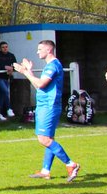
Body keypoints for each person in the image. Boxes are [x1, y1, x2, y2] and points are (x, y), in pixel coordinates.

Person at [14, 40, 80, 182]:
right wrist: (29, 72)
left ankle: (71, 164)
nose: (37, 52)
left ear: (49, 50)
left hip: (49, 106)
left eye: (40, 49)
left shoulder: (53, 66)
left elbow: (41, 84)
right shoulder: (50, 66)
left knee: (43, 139)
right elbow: (39, 86)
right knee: (49, 138)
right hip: (45, 105)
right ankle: (45, 170)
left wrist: (25, 72)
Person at [0, 42, 17, 120]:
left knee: (3, 95)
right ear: (0, 48)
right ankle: (9, 108)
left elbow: (15, 65)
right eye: (3, 47)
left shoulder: (11, 56)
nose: (5, 48)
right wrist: (5, 67)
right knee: (5, 91)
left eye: (6, 47)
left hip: (6, 77)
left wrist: (12, 69)